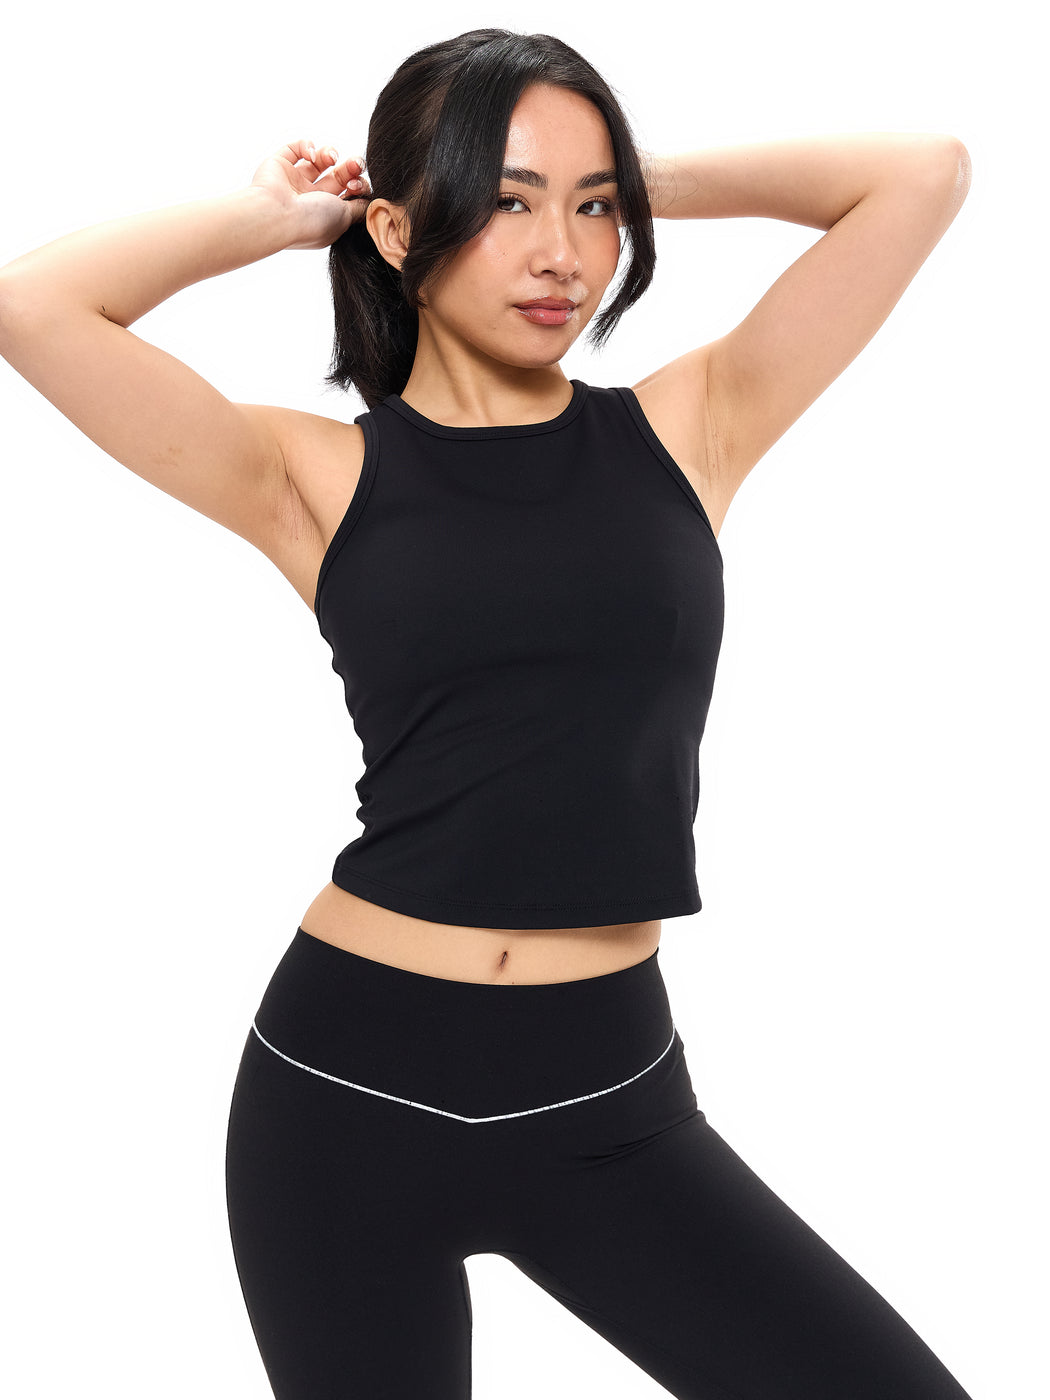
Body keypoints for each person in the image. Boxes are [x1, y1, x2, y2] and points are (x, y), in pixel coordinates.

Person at [0, 25, 975, 1400]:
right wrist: (276, 219)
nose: (562, 255)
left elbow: (922, 173)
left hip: (606, 1101)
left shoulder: (692, 426)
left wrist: (627, 177)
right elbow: (33, 307)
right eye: (507, 203)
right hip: (344, 1098)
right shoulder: (311, 476)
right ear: (401, 230)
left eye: (592, 210)